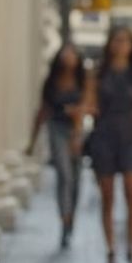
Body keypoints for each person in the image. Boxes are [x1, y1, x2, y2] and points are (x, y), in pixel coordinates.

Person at [88, 26, 132, 263]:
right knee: (107, 196)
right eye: (117, 40)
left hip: (131, 137)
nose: (121, 45)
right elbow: (91, 103)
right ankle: (111, 248)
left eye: (125, 40)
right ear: (110, 43)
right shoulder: (99, 72)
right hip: (104, 136)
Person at [25, 43, 89, 249]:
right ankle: (64, 218)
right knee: (64, 175)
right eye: (65, 53)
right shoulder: (51, 81)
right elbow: (42, 111)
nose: (68, 56)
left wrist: (78, 113)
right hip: (56, 129)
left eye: (72, 53)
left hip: (76, 130)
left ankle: (72, 219)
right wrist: (32, 142)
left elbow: (89, 104)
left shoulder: (83, 80)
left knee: (77, 178)